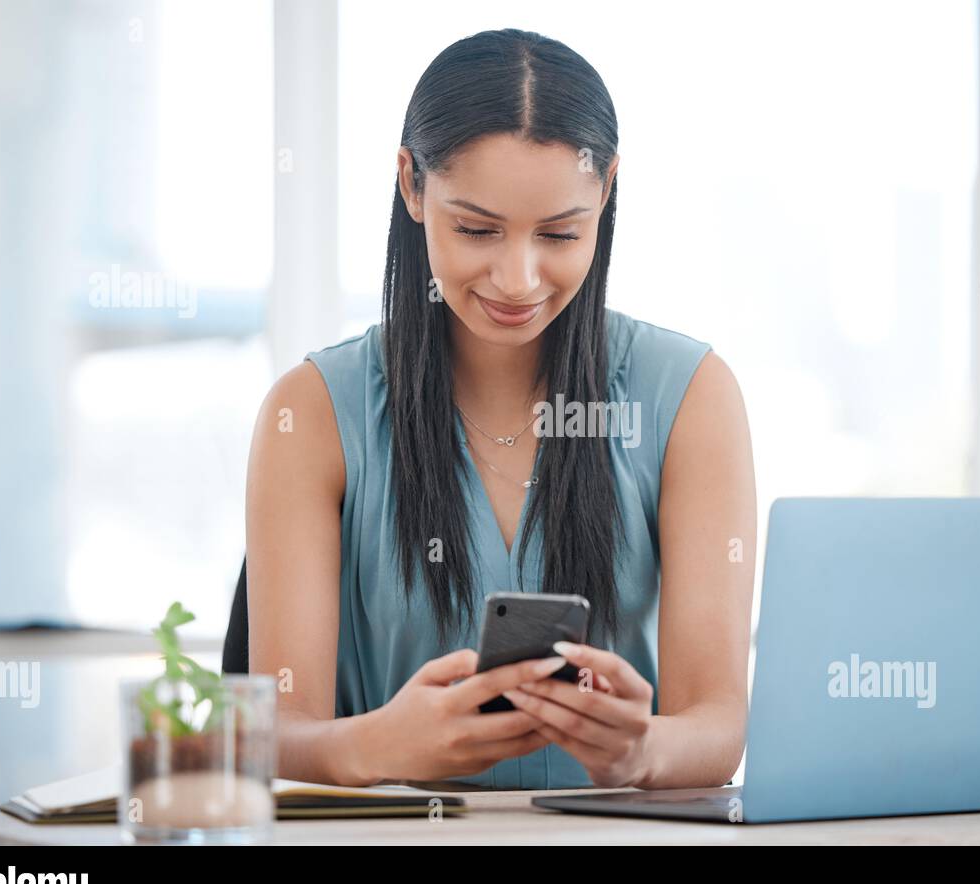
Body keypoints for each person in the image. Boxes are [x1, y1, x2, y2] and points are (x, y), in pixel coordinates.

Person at [245, 28, 755, 790]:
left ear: (606, 190)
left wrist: (641, 750)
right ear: (412, 187)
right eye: (476, 229)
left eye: (559, 233)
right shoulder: (311, 412)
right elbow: (274, 729)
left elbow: (717, 721)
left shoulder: (691, 396)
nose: (517, 280)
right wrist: (377, 746)